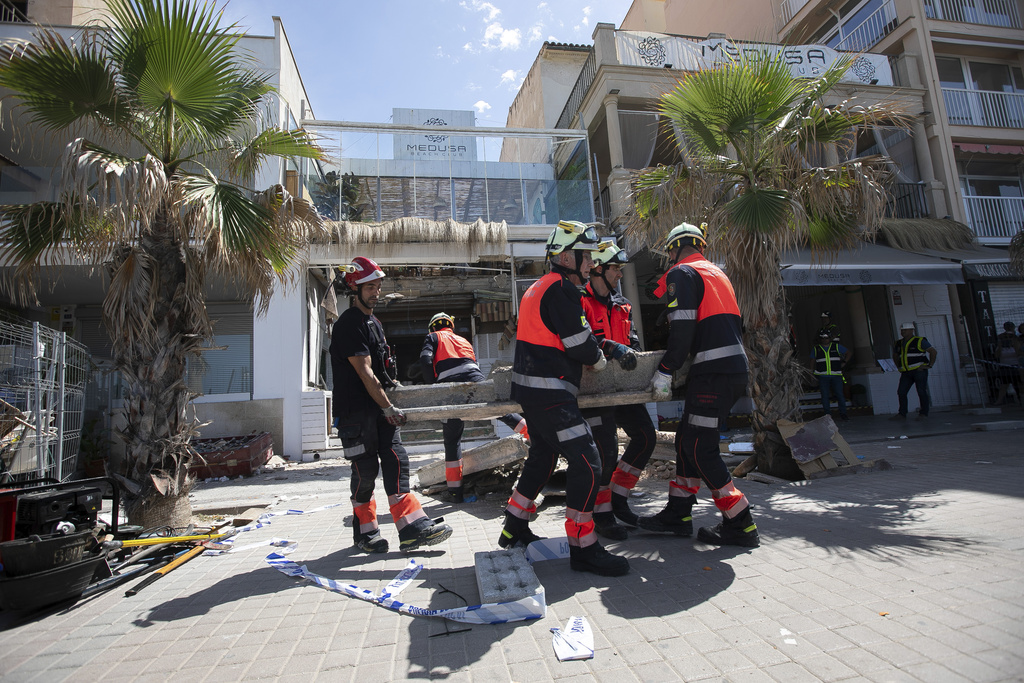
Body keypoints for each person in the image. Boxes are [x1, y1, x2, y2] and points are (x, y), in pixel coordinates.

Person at [498, 220, 635, 577]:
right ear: (564, 256)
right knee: (589, 461)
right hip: (550, 393)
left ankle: (513, 526)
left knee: (543, 458)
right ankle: (583, 547)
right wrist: (603, 358)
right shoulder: (562, 290)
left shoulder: (540, 287)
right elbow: (581, 345)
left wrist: (608, 346)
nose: (590, 263)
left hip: (535, 391)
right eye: (584, 256)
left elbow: (571, 336)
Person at [642, 222, 759, 548]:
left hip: (713, 373)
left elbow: (683, 329)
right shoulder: (716, 273)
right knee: (686, 440)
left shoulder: (682, 273)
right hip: (728, 371)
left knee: (698, 446)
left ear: (673, 249)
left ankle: (740, 520)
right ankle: (678, 513)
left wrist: (665, 370)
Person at [330, 256, 453, 554]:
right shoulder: (349, 324)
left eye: (378, 286)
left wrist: (395, 395)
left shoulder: (374, 323)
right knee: (366, 471)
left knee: (398, 461)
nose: (376, 292)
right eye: (370, 287)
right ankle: (366, 532)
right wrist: (388, 407)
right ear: (354, 288)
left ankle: (411, 528)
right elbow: (364, 370)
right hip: (356, 415)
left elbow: (382, 371)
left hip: (378, 409)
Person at [579, 242, 654, 539]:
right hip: (593, 391)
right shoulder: (580, 301)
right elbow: (582, 342)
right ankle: (602, 513)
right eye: (615, 268)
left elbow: (633, 343)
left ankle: (618, 497)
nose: (620, 274)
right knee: (606, 452)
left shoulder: (623, 304)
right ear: (598, 268)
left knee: (646, 437)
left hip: (622, 388)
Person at [419, 312, 529, 503]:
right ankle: (534, 436)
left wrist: (433, 385)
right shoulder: (463, 340)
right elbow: (470, 364)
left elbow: (425, 359)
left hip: (449, 388)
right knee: (501, 411)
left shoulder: (433, 337)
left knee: (452, 440)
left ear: (433, 327)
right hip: (475, 380)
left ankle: (455, 493)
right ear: (450, 326)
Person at [890, 321, 938, 421]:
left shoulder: (920, 341)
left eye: (905, 330)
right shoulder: (898, 343)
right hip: (906, 372)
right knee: (901, 392)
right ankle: (902, 414)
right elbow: (895, 355)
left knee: (921, 391)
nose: (903, 332)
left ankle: (923, 413)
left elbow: (933, 351)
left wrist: (930, 365)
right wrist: (898, 366)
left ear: (912, 330)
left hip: (919, 370)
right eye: (902, 330)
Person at [810, 329, 853, 421]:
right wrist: (811, 373)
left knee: (840, 395)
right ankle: (827, 415)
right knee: (825, 396)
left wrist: (844, 362)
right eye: (822, 338)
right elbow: (812, 361)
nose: (824, 339)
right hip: (823, 376)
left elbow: (848, 353)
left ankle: (843, 414)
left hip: (836, 375)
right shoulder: (816, 349)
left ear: (830, 338)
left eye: (826, 338)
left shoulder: (836, 347)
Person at [993, 321, 1021, 406]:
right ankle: (999, 400)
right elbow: (996, 355)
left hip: (1016, 364)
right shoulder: (1001, 338)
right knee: (1004, 384)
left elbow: (1019, 352)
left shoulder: (1017, 338)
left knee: (1018, 383)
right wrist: (1001, 345)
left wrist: (1014, 343)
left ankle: (1020, 400)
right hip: (1005, 365)